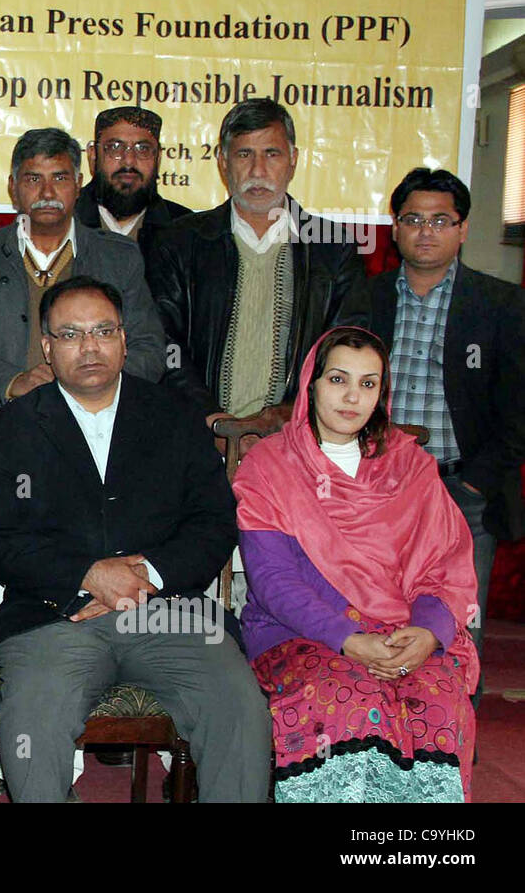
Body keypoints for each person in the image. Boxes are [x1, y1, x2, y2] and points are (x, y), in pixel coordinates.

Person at [0, 276, 270, 802]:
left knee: (238, 707)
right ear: (47, 347)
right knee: (30, 731)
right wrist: (90, 576)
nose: (89, 347)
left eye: (102, 331)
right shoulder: (13, 428)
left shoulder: (175, 418)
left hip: (165, 612)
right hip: (54, 617)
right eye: (70, 334)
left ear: (125, 340)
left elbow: (214, 523)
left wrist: (146, 577)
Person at [233, 326, 479, 801]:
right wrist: (348, 639)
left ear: (382, 393)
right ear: (311, 383)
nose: (352, 397)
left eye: (368, 384)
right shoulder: (270, 465)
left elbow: (445, 565)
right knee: (350, 698)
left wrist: (428, 633)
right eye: (338, 380)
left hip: (404, 632)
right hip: (301, 634)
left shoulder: (412, 467)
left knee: (435, 698)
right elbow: (273, 581)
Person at [344, 168, 525, 659]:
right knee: (377, 618)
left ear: (463, 229)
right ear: (396, 227)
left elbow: (518, 409)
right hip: (375, 487)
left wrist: (477, 482)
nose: (426, 231)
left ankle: (459, 734)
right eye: (414, 219)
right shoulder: (365, 297)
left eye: (441, 220)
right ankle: (385, 734)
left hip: (463, 492)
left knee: (460, 632)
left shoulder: (501, 303)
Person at [149, 97, 365, 426]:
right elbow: (163, 342)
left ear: (293, 160)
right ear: (223, 162)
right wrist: (213, 418)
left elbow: (346, 350)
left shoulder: (332, 249)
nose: (258, 171)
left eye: (272, 154)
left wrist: (290, 414)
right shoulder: (180, 243)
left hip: (296, 441)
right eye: (244, 154)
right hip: (198, 435)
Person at [0, 127, 167, 407]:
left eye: (60, 177)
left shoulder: (117, 258)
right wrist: (12, 382)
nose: (47, 192)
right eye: (33, 179)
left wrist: (87, 385)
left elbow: (149, 351)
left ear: (78, 185)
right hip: (1, 422)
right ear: (13, 187)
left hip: (97, 422)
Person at [74, 106, 190, 268]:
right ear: (93, 155)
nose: (129, 160)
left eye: (142, 149)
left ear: (158, 158)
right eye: (115, 147)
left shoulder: (186, 231)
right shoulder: (64, 221)